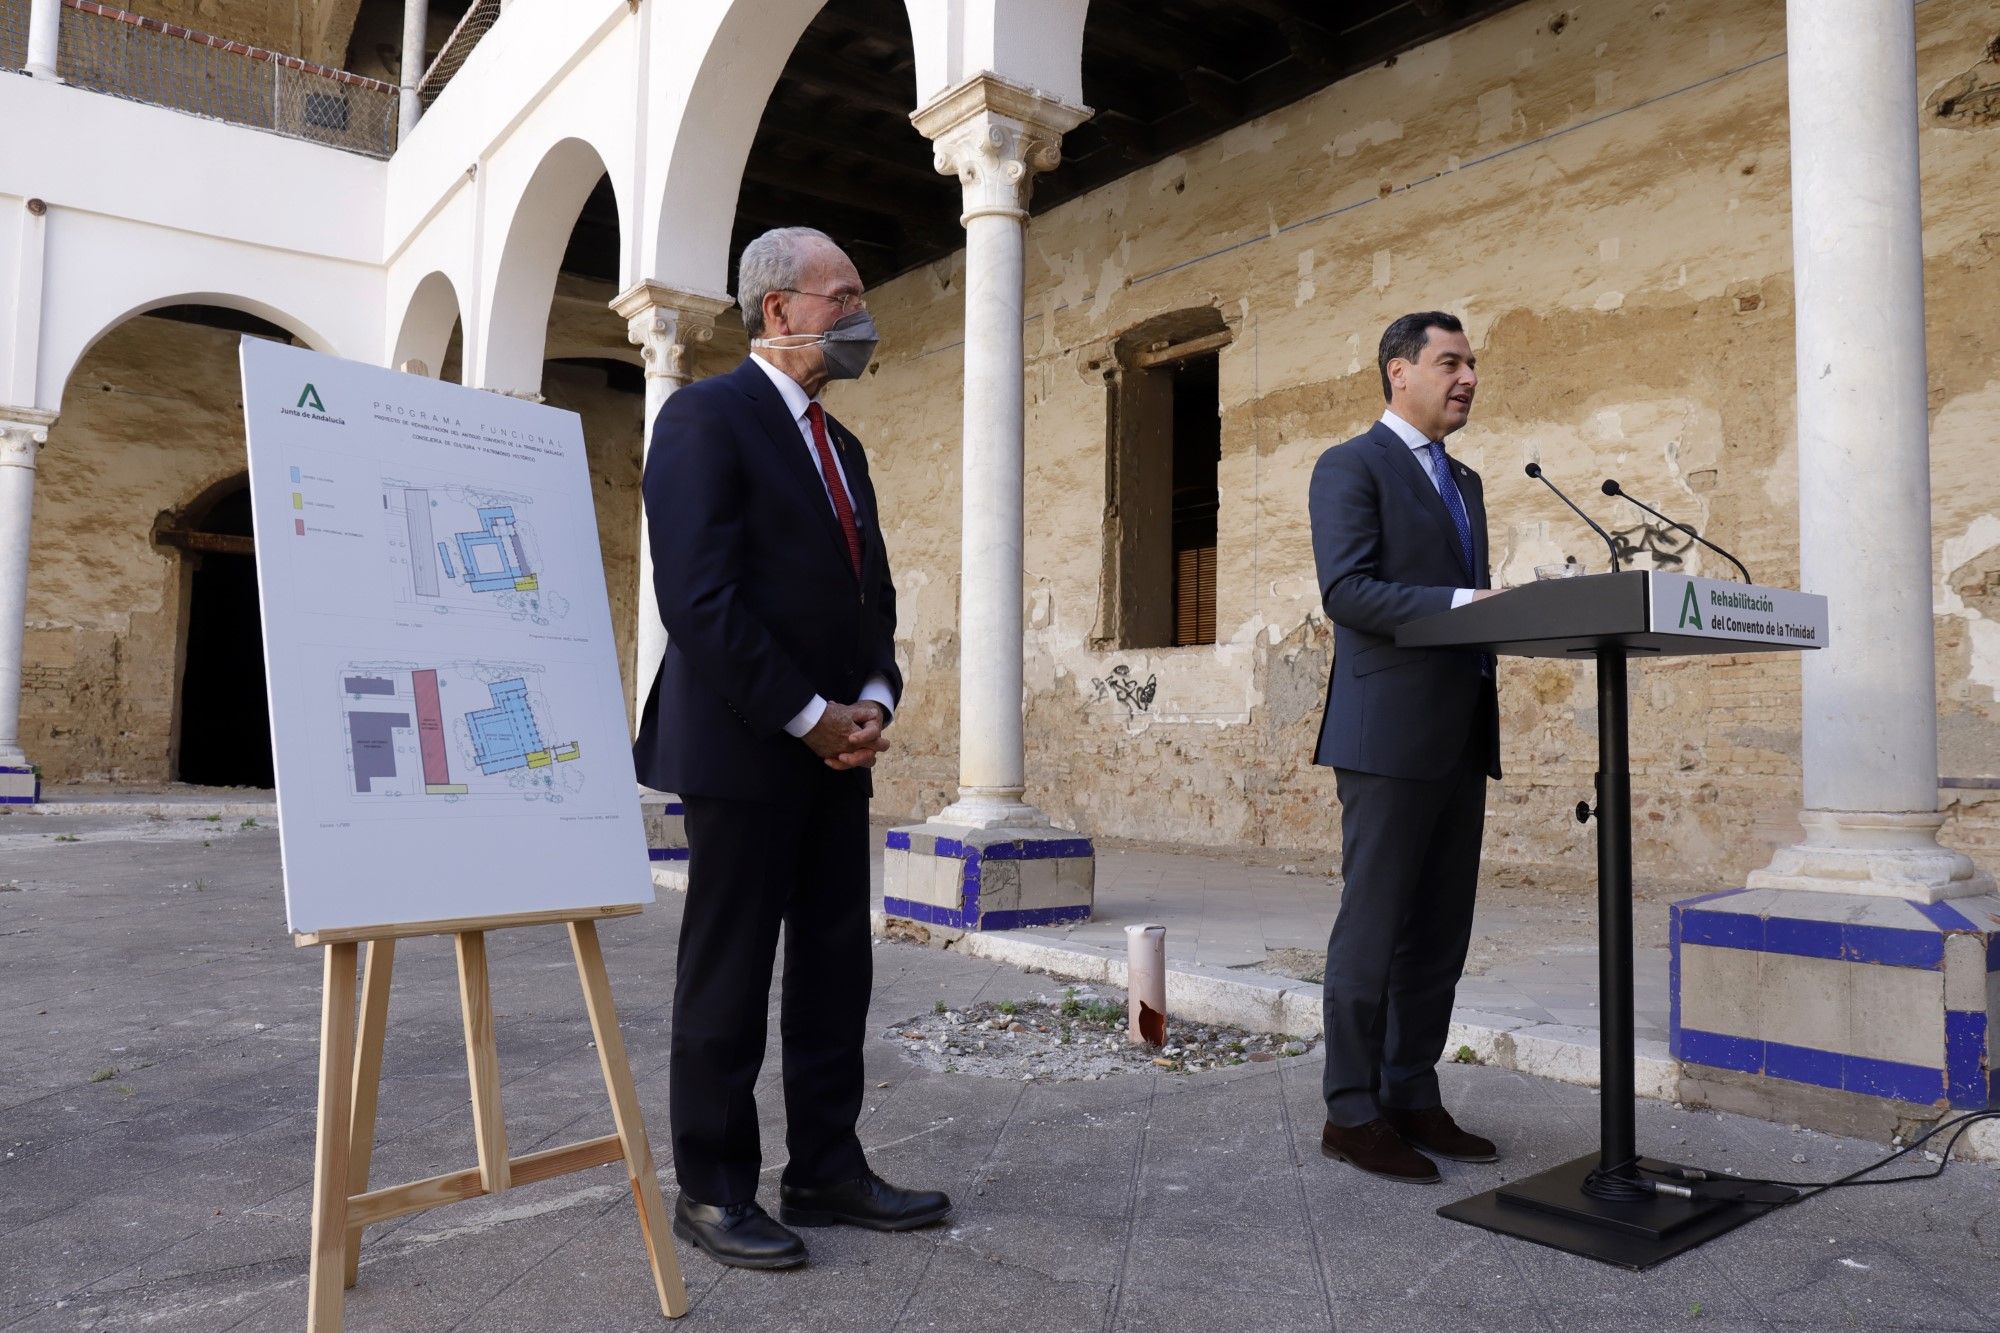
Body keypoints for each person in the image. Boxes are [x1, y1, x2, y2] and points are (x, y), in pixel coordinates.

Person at [634, 226, 950, 1268]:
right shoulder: (703, 418)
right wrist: (806, 713)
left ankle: (825, 1166)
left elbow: (871, 595)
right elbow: (699, 597)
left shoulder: (841, 446)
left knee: (833, 967)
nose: (861, 316)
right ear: (779, 310)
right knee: (727, 976)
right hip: (744, 748)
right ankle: (713, 1189)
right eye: (843, 297)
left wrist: (870, 699)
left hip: (834, 755)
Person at [1306, 310, 1503, 1183]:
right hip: (1385, 733)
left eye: (1472, 363)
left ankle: (1411, 1091)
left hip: (1461, 729)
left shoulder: (1467, 482)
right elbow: (1348, 590)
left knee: (1439, 933)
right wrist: (1466, 605)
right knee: (1376, 928)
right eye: (1450, 361)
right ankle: (1351, 1111)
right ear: (1400, 371)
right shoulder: (1350, 465)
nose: (1468, 378)